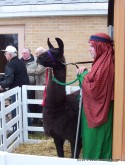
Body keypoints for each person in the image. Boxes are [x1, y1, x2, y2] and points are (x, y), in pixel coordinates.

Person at [77, 33, 114, 160]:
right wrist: (88, 72)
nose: (89, 49)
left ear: (101, 47)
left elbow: (94, 89)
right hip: (101, 109)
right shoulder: (103, 60)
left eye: (91, 46)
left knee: (96, 140)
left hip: (101, 112)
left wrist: (83, 75)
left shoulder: (106, 64)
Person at [0, 45, 30, 131]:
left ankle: (17, 128)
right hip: (24, 88)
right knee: (25, 108)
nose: (5, 55)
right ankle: (29, 129)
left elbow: (9, 80)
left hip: (16, 90)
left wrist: (2, 86)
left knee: (15, 109)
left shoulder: (10, 64)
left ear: (9, 54)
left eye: (5, 53)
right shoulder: (21, 62)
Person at [27, 47, 47, 125]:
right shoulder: (41, 61)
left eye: (37, 53)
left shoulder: (44, 61)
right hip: (40, 84)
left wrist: (25, 70)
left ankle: (42, 121)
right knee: (39, 103)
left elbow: (37, 71)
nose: (36, 55)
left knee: (41, 103)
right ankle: (40, 120)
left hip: (42, 85)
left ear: (41, 53)